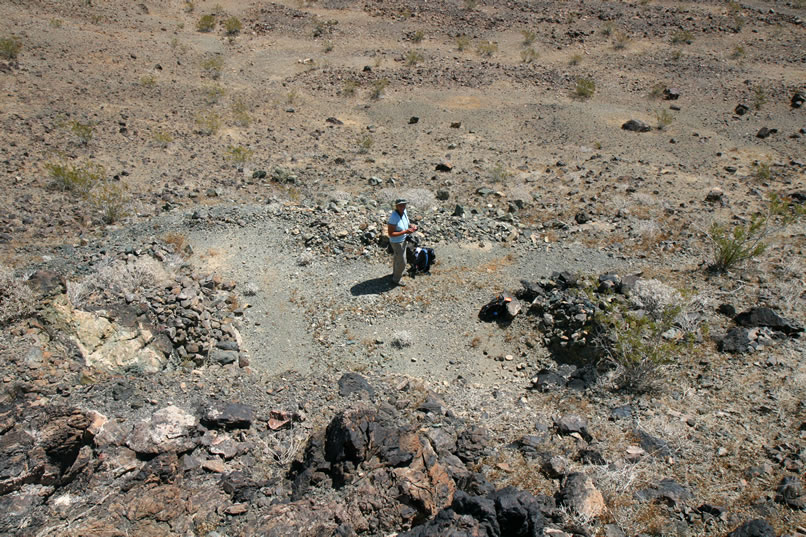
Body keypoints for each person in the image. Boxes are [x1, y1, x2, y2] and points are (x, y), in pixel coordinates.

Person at [387, 198, 417, 286]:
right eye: (400, 205)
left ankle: (396, 273)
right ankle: (396, 279)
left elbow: (407, 223)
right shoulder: (393, 217)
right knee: (402, 262)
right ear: (396, 206)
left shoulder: (404, 212)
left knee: (398, 258)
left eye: (404, 205)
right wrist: (405, 232)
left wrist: (411, 226)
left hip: (403, 239)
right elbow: (390, 233)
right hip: (397, 242)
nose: (402, 207)